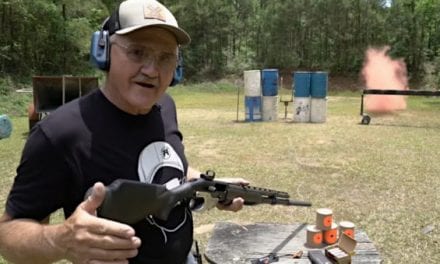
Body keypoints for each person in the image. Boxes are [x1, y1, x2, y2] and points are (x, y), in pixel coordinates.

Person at [0, 0, 246, 263]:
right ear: (103, 51)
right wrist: (61, 240)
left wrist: (207, 185)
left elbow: (167, 170)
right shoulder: (59, 133)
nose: (152, 70)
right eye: (137, 52)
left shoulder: (165, 106)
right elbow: (8, 235)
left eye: (166, 57)